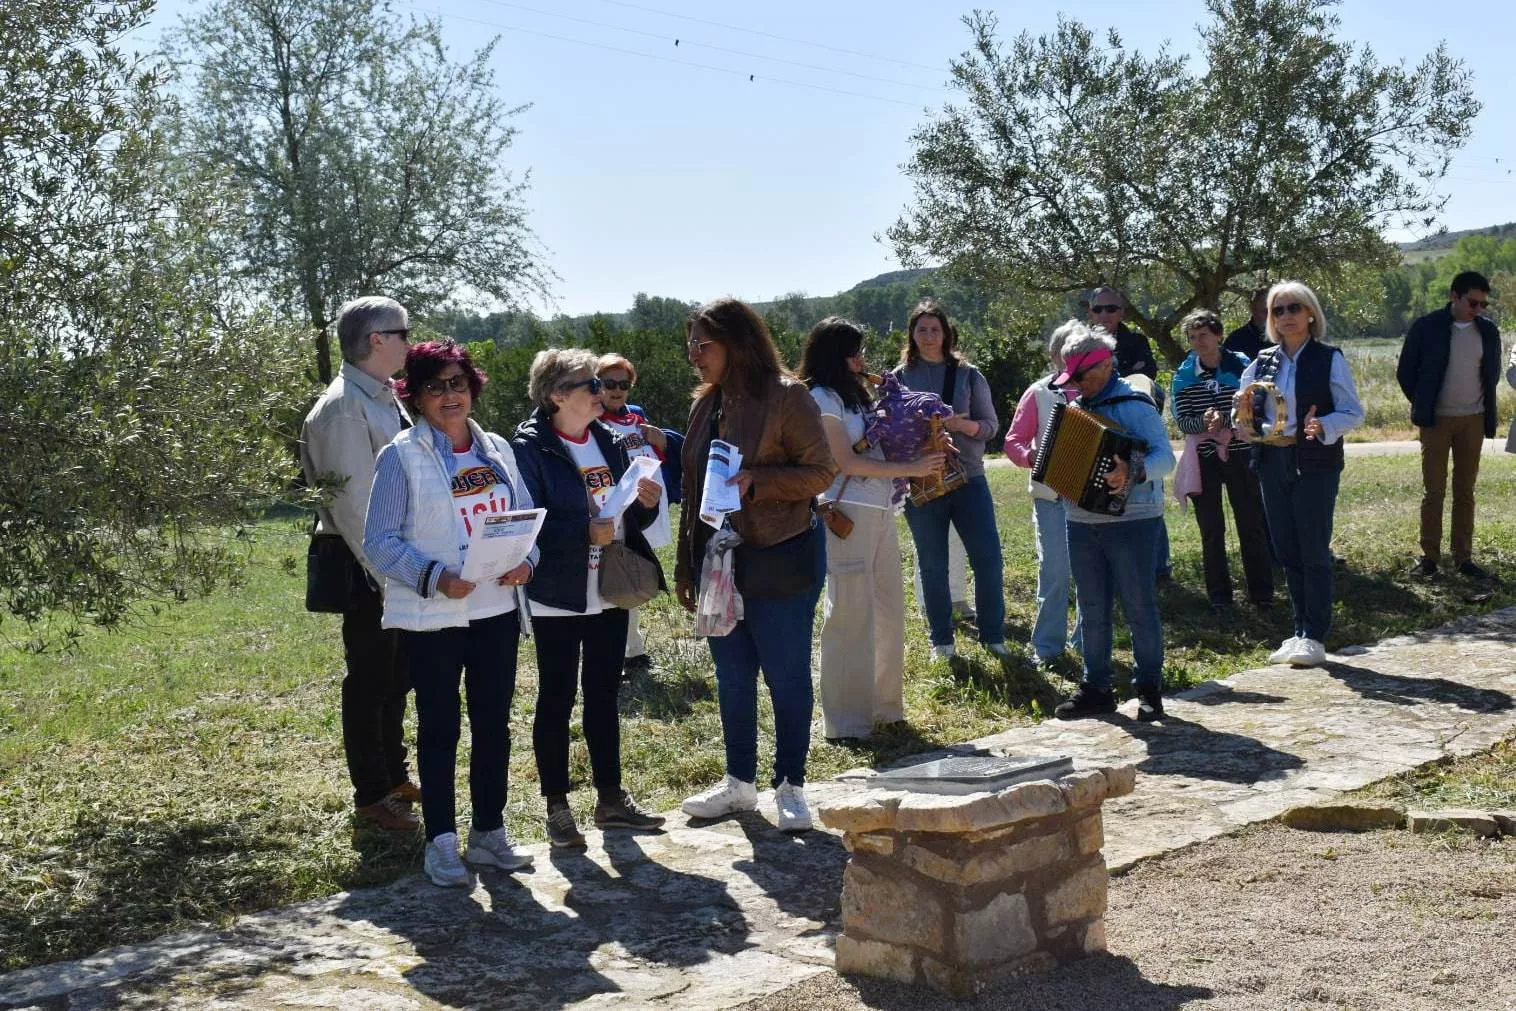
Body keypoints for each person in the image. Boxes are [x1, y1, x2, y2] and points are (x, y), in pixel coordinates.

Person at [363, 339, 537, 886]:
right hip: (434, 619)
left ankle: (489, 833)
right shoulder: (400, 455)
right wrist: (437, 578)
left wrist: (527, 562)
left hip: (496, 612)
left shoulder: (500, 450)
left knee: (493, 727)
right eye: (435, 386)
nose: (449, 395)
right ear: (414, 395)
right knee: (440, 728)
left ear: (473, 390)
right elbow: (380, 541)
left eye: (457, 383)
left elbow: (529, 517)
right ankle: (441, 842)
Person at [675, 298, 835, 831]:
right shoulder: (706, 405)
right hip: (721, 561)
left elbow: (819, 472)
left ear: (738, 343)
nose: (694, 355)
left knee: (786, 674)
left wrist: (758, 484)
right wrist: (687, 564)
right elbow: (692, 489)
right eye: (691, 344)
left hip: (781, 554)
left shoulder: (788, 397)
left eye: (705, 344)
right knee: (733, 674)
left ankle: (791, 784)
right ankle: (739, 784)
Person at [513, 348, 668, 850]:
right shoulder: (530, 448)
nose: (602, 393)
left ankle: (610, 800)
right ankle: (557, 807)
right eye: (591, 385)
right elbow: (527, 524)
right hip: (559, 590)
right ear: (558, 395)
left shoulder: (611, 440)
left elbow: (626, 518)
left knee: (604, 693)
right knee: (556, 698)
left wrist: (645, 506)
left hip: (609, 588)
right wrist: (583, 532)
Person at [299, 296, 419, 833]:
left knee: (397, 675)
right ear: (376, 340)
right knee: (370, 678)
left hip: (393, 563)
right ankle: (371, 796)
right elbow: (353, 506)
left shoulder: (381, 397)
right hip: (367, 564)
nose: (409, 342)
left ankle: (394, 776)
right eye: (403, 332)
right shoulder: (344, 407)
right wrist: (388, 575)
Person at [798, 317, 942, 740]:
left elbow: (882, 441)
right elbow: (846, 461)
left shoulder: (856, 396)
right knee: (849, 613)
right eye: (856, 352)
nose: (863, 359)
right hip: (848, 512)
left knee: (887, 610)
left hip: (880, 508)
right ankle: (845, 722)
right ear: (837, 356)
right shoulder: (822, 398)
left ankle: (885, 709)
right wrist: (911, 467)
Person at [1050, 324, 1176, 722]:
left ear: (1105, 366)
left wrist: (1133, 472)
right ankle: (1097, 687)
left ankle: (1150, 689)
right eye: (1072, 379)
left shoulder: (1136, 406)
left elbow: (1166, 460)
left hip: (1134, 521)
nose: (1077, 387)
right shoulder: (1073, 411)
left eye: (1082, 377)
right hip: (1081, 520)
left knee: (1140, 605)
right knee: (1090, 606)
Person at [1236, 281, 1364, 668]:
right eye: (1278, 310)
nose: (1286, 316)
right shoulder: (1262, 361)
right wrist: (1233, 419)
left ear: (1311, 313)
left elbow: (1353, 412)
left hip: (1314, 463)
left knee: (1313, 550)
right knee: (1287, 550)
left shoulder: (1329, 358)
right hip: (1272, 461)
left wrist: (1323, 424)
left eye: (1294, 308)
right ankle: (1298, 632)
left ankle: (1315, 635)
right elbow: (1243, 410)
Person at [893, 299, 1008, 659]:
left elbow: (990, 427)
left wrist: (960, 425)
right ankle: (941, 641)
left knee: (988, 559)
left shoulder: (969, 375)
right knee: (932, 563)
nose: (928, 336)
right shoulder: (897, 379)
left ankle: (993, 636)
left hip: (969, 478)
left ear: (946, 334)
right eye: (922, 329)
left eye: (935, 329)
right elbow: (887, 434)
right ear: (912, 334)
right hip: (922, 484)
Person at [1397, 271, 1504, 581]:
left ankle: (1463, 558)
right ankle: (1429, 559)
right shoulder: (1426, 327)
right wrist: (1423, 403)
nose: (1478, 310)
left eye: (1483, 304)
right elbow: (1406, 372)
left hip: (1473, 419)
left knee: (1465, 491)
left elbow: (1492, 374)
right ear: (1453, 296)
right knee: (1434, 491)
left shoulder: (1488, 332)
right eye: (1473, 302)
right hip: (1436, 420)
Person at [1170, 309, 1273, 613]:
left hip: (1242, 454)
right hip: (1204, 460)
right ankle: (1220, 597)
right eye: (1192, 337)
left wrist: (1229, 420)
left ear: (1219, 335)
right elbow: (1182, 422)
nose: (1198, 341)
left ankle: (1262, 594)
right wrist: (1203, 423)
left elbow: (1257, 405)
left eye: (1203, 335)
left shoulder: (1243, 366)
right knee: (1212, 529)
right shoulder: (1183, 376)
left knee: (1251, 523)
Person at [1003, 321, 1083, 667]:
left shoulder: (1101, 389)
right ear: (1054, 355)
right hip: (1051, 496)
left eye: (1079, 350)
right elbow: (1013, 441)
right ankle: (1048, 648)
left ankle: (1086, 643)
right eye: (1065, 350)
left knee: (1091, 573)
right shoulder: (1038, 392)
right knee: (1055, 571)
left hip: (1092, 499)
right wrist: (1031, 456)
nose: (1072, 357)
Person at [596, 352, 673, 673]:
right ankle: (618, 650)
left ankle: (632, 647)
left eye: (623, 384)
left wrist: (663, 441)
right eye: (608, 383)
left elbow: (661, 459)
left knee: (632, 574)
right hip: (610, 510)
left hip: (645, 508)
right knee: (610, 578)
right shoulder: (591, 420)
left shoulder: (638, 416)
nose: (616, 390)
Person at [1088, 286, 1171, 581]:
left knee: (1148, 493)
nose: (1104, 315)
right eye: (1098, 309)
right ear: (1090, 311)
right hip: (1095, 431)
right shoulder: (1084, 344)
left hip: (1136, 428)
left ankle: (1159, 567)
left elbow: (1146, 381)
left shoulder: (1136, 341)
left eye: (1111, 308)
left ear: (1122, 312)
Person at [1225, 286, 1272, 360]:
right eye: (1266, 311)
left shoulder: (1285, 337)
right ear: (1253, 309)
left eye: (1275, 311)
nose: (1270, 316)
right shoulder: (1236, 340)